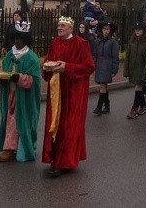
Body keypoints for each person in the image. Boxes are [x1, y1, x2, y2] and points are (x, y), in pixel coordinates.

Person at [41, 16, 95, 177]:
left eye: (63, 26)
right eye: (58, 25)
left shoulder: (81, 44)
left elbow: (89, 66)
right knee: (55, 124)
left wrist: (68, 67)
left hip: (73, 92)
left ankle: (64, 162)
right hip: (57, 91)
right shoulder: (55, 42)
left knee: (69, 126)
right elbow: (49, 59)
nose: (60, 28)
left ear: (71, 28)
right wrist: (46, 67)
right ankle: (54, 159)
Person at [0, 28, 41, 163]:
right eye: (15, 39)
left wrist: (19, 77)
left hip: (24, 97)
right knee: (10, 120)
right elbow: (4, 70)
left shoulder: (31, 57)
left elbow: (35, 80)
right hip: (9, 95)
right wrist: (0, 77)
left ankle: (24, 147)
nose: (17, 41)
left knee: (24, 121)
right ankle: (9, 148)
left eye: (20, 39)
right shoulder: (9, 55)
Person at [91, 21, 119, 116]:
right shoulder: (98, 41)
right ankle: (107, 104)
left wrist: (114, 69)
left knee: (102, 85)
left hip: (107, 65)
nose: (106, 31)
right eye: (104, 29)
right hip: (99, 65)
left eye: (108, 29)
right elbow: (95, 55)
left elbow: (115, 56)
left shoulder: (113, 42)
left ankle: (99, 106)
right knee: (104, 85)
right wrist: (94, 67)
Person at [124, 23, 146, 119]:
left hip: (142, 69)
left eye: (139, 29)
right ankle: (143, 106)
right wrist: (126, 70)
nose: (137, 31)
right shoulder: (132, 41)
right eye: (136, 29)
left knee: (138, 87)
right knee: (137, 87)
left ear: (144, 30)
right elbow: (128, 56)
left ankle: (134, 108)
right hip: (133, 68)